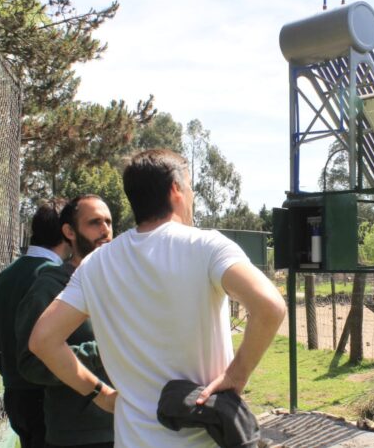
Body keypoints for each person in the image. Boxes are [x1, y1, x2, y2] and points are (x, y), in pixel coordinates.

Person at [29, 149, 286, 447]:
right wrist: (236, 375)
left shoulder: (96, 264)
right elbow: (270, 306)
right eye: (190, 188)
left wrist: (99, 393)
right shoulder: (207, 246)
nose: (191, 197)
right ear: (176, 189)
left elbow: (42, 340)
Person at [15, 195, 114, 448]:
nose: (105, 230)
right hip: (78, 435)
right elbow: (30, 363)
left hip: (127, 426)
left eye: (108, 222)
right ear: (69, 231)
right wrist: (100, 352)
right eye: (94, 222)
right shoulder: (49, 288)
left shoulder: (120, 283)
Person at [0, 201, 68, 448]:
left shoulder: (8, 274)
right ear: (67, 231)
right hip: (46, 395)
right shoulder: (52, 276)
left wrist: (12, 374)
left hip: (15, 394)